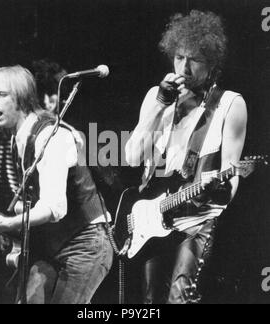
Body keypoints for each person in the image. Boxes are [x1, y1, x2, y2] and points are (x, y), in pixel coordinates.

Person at [125, 10, 247, 304]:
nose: (184, 67)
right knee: (150, 301)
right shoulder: (157, 96)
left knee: (179, 299)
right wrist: (158, 106)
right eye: (179, 57)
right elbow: (131, 157)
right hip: (154, 217)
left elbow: (233, 174)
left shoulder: (230, 104)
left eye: (194, 59)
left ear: (212, 63)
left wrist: (221, 190)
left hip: (196, 218)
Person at [0, 65, 113, 304]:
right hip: (51, 246)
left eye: (1, 95)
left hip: (85, 245)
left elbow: (53, 207)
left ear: (21, 98)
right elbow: (31, 202)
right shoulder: (18, 139)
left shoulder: (51, 137)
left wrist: (7, 223)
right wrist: (3, 221)